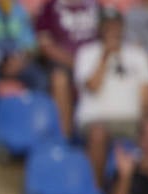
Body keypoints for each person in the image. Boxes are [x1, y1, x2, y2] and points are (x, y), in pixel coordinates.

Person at [74, 8, 148, 185]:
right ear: (100, 28)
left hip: (132, 122)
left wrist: (146, 122)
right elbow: (92, 86)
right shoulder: (86, 53)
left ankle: (144, 193)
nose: (112, 29)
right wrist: (105, 55)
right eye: (108, 26)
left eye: (116, 25)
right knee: (98, 133)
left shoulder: (138, 54)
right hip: (96, 120)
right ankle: (95, 193)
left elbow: (147, 93)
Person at [33, 0, 100, 140]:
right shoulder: (50, 8)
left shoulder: (96, 6)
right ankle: (65, 138)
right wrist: (77, 64)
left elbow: (109, 36)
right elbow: (45, 45)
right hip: (66, 65)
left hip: (98, 63)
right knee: (60, 79)